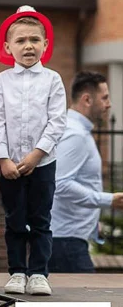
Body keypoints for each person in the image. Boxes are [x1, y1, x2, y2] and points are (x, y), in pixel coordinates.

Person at [0, 6, 66, 295]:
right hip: (10, 166)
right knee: (14, 219)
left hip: (43, 163)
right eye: (21, 41)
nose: (28, 46)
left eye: (35, 40)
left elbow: (57, 120)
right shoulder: (2, 82)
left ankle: (38, 272)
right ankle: (17, 272)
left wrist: (37, 154)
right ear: (8, 46)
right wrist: (3, 159)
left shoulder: (53, 80)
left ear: (45, 45)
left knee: (40, 218)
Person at [49, 72, 123, 273]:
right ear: (87, 99)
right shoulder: (75, 134)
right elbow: (61, 184)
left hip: (68, 239)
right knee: (87, 302)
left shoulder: (76, 130)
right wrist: (108, 200)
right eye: (105, 97)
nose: (108, 104)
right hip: (65, 241)